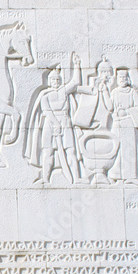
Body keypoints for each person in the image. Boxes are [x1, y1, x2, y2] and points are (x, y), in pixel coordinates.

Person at [24, 53, 86, 184]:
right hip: (50, 124)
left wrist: (76, 65)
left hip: (65, 122)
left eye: (58, 80)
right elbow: (46, 111)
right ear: (49, 81)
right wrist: (55, 123)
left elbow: (75, 82)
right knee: (48, 152)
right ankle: (46, 178)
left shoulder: (63, 91)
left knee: (71, 151)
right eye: (53, 80)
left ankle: (77, 177)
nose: (56, 83)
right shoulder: (45, 95)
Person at [109, 67, 138, 185]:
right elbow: (109, 107)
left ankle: (132, 176)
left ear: (127, 79)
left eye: (124, 77)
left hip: (129, 123)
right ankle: (116, 175)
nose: (122, 79)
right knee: (117, 149)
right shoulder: (114, 92)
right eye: (120, 77)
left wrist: (128, 111)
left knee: (130, 150)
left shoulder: (132, 92)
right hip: (117, 123)